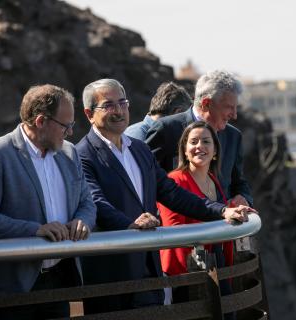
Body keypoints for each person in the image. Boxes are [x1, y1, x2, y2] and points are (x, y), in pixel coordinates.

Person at [75, 79, 254, 314]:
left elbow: (172, 193)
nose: (119, 110)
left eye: (123, 103)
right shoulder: (81, 154)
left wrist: (222, 210)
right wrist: (129, 224)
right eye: (108, 105)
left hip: (150, 270)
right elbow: (96, 202)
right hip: (112, 274)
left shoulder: (139, 149)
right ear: (89, 114)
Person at [0, 84, 96, 320]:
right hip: (12, 286)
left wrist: (82, 220)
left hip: (59, 280)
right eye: (65, 126)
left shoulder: (69, 152)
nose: (70, 133)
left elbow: (87, 201)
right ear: (40, 121)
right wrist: (35, 230)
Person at [146, 70, 253, 207]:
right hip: (179, 225)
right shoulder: (166, 130)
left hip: (222, 225)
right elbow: (146, 179)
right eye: (229, 108)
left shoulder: (233, 136)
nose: (234, 115)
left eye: (235, 108)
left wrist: (243, 197)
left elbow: (238, 181)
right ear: (206, 103)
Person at [158, 121, 234, 308]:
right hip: (186, 274)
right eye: (193, 142)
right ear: (184, 150)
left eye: (206, 142)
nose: (199, 146)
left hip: (215, 268)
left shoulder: (214, 180)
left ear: (215, 151)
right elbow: (174, 230)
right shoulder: (175, 181)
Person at [126, 81, 191, 141]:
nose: (186, 122)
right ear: (178, 112)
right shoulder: (139, 137)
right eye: (185, 116)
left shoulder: (139, 133)